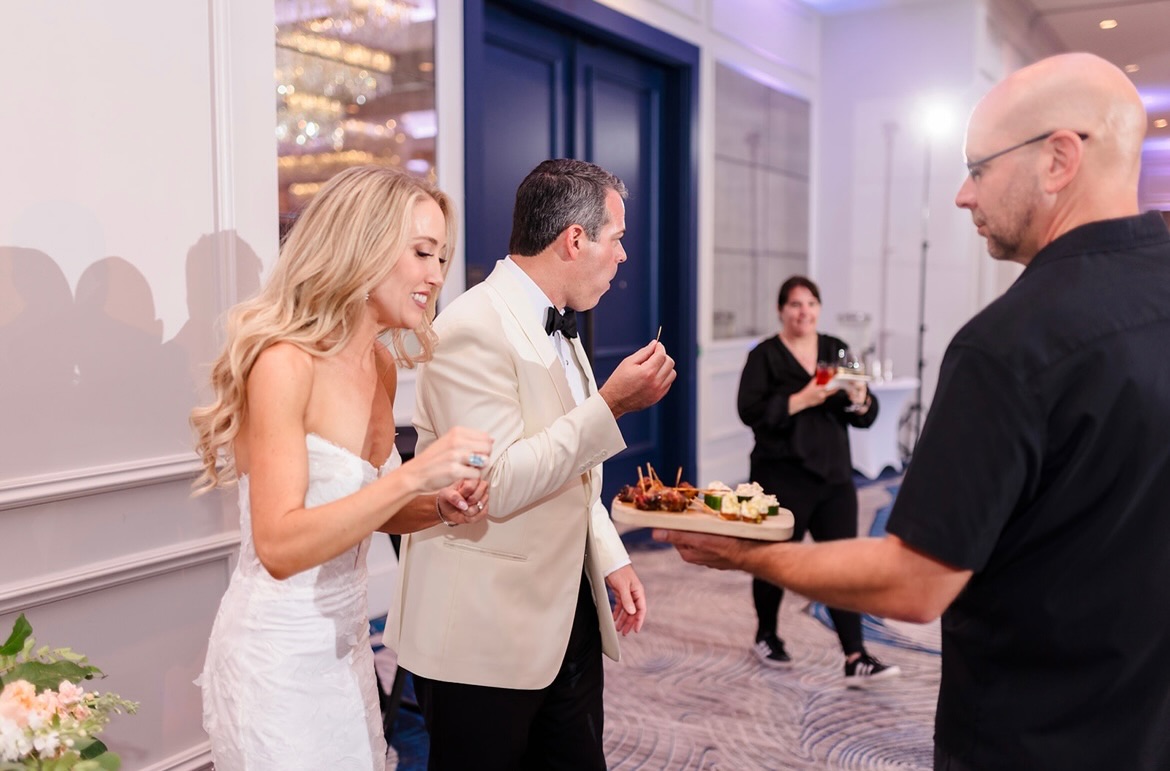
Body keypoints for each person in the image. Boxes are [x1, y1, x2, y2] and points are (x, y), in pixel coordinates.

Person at [656, 52, 1170, 770]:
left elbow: (916, 580)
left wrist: (748, 551)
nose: (963, 194)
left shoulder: (1010, 343)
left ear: (1059, 160)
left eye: (980, 166)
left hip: (1038, 733)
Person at [192, 165, 495, 771]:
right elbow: (279, 545)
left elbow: (368, 508)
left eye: (442, 257)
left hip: (350, 650)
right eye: (422, 253)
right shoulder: (284, 363)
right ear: (363, 246)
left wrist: (437, 505)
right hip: (276, 663)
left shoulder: (380, 365)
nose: (437, 276)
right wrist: (413, 476)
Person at [388, 158, 676, 770]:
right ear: (575, 238)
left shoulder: (563, 327)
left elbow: (574, 469)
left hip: (566, 615)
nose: (623, 256)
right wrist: (611, 406)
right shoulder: (471, 327)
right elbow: (497, 482)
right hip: (485, 633)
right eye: (617, 238)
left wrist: (610, 555)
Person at [737, 275, 897, 684]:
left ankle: (855, 654)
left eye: (810, 303)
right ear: (780, 310)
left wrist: (860, 399)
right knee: (775, 563)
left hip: (834, 478)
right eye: (794, 304)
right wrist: (802, 399)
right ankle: (767, 634)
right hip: (781, 478)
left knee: (842, 567)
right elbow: (750, 411)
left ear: (819, 309)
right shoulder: (765, 356)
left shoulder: (837, 349)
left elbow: (867, 411)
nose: (803, 311)